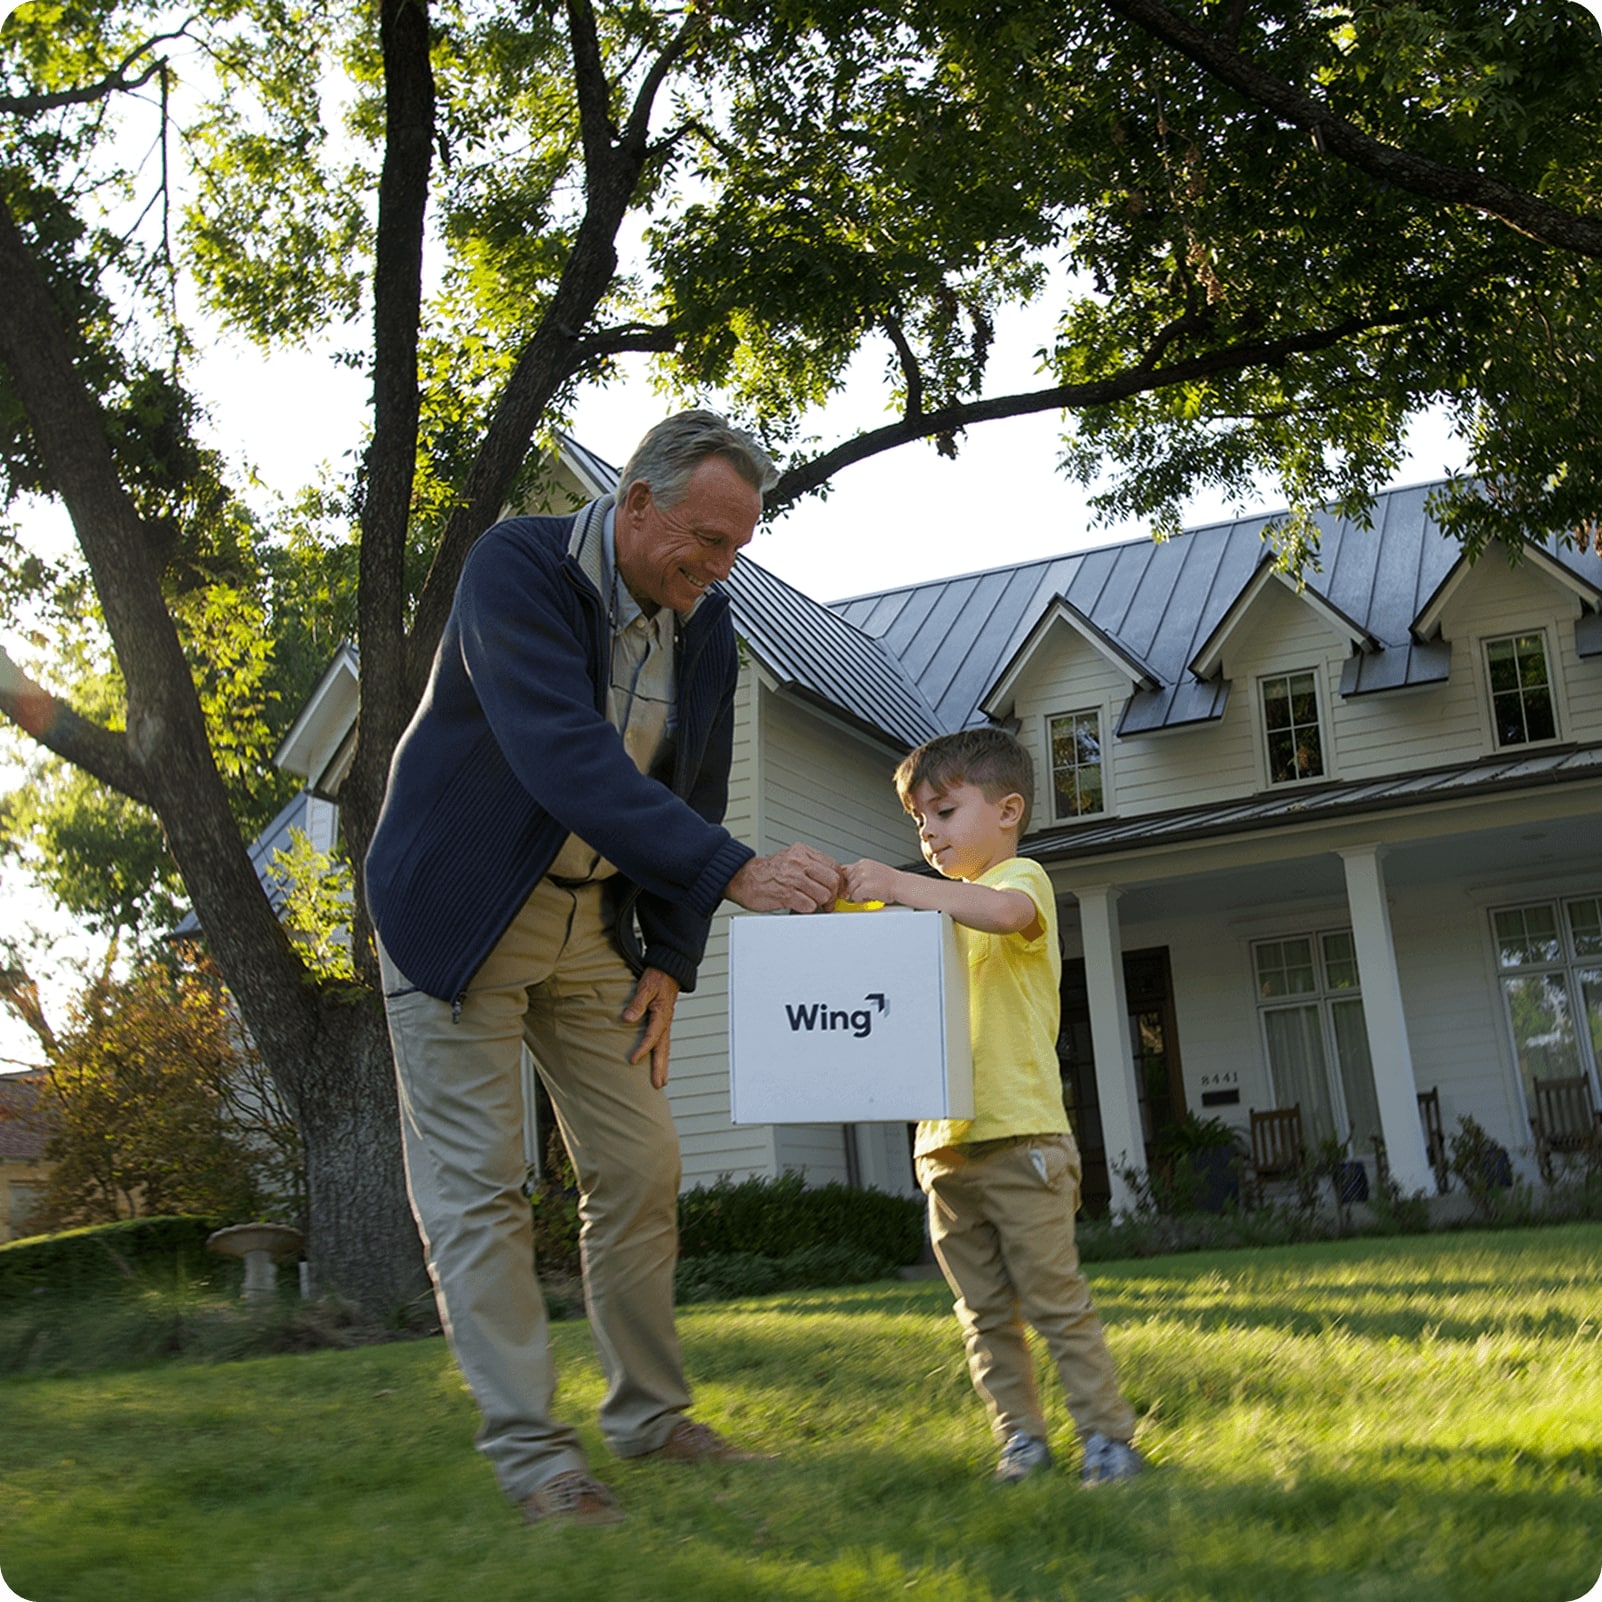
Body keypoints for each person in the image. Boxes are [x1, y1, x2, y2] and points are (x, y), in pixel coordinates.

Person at [364, 410, 843, 1527]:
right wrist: (733, 876)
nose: (721, 571)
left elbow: (697, 792)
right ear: (637, 505)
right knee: (482, 1193)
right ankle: (541, 1464)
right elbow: (560, 754)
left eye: (738, 548)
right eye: (708, 542)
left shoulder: (705, 626)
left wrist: (671, 957)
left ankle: (650, 1419)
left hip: (591, 930)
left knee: (638, 1165)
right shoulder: (517, 568)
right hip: (459, 914)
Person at [840, 728, 1144, 1486]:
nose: (929, 834)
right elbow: (853, 955)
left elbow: (1006, 915)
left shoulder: (1022, 877)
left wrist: (900, 881)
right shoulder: (930, 911)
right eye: (919, 823)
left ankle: (1106, 1438)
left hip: (1024, 1138)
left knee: (1052, 1300)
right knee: (981, 1314)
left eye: (943, 812)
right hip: (942, 1143)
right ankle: (1022, 1441)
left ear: (1008, 810)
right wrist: (833, 896)